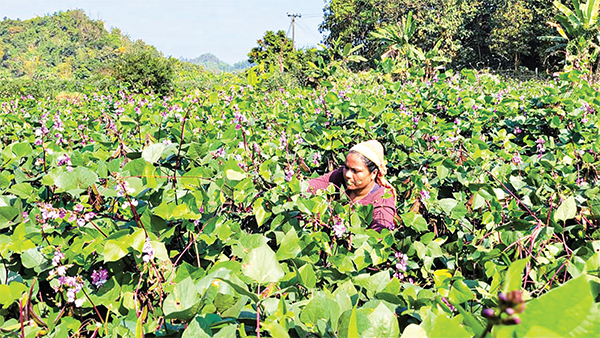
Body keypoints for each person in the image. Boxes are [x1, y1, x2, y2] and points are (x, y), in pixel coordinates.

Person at [308, 140, 397, 232]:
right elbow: (307, 187)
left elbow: (378, 239)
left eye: (355, 171)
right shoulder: (340, 176)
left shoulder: (382, 202)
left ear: (373, 173)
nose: (348, 174)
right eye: (346, 167)